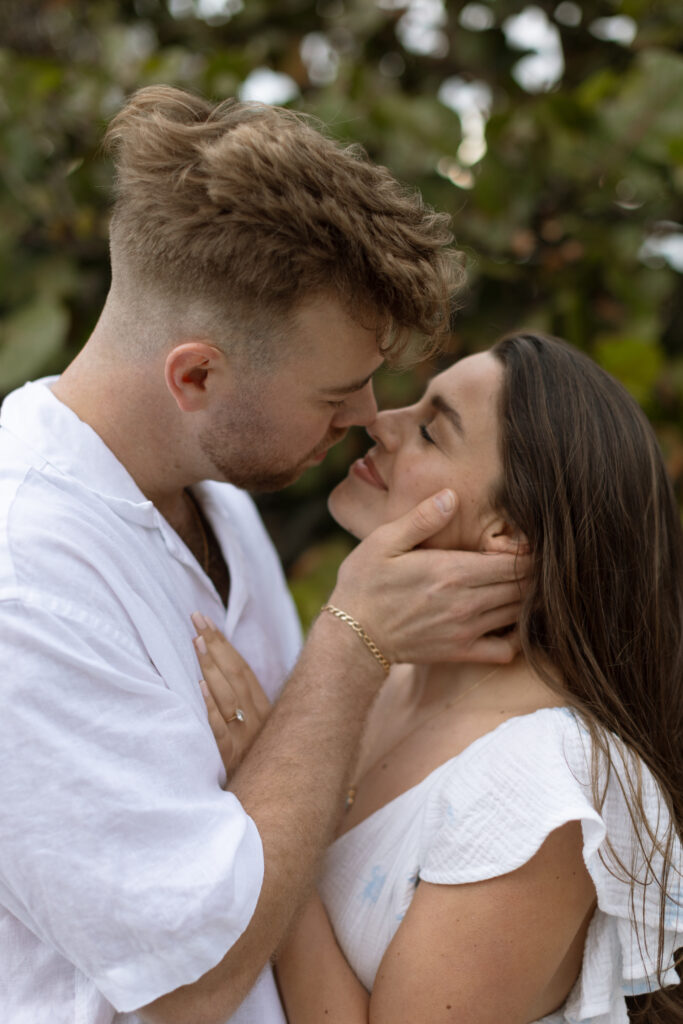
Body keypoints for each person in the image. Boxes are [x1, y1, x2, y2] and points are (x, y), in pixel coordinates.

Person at [0, 86, 528, 1024]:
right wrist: (350, 645)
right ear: (196, 375)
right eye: (338, 390)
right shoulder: (27, 583)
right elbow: (188, 988)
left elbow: (287, 805)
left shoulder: (217, 494)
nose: (365, 418)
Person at [196, 332, 683, 1024]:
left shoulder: (543, 785)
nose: (378, 423)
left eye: (429, 428)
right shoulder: (380, 675)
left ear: (507, 534)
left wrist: (270, 816)